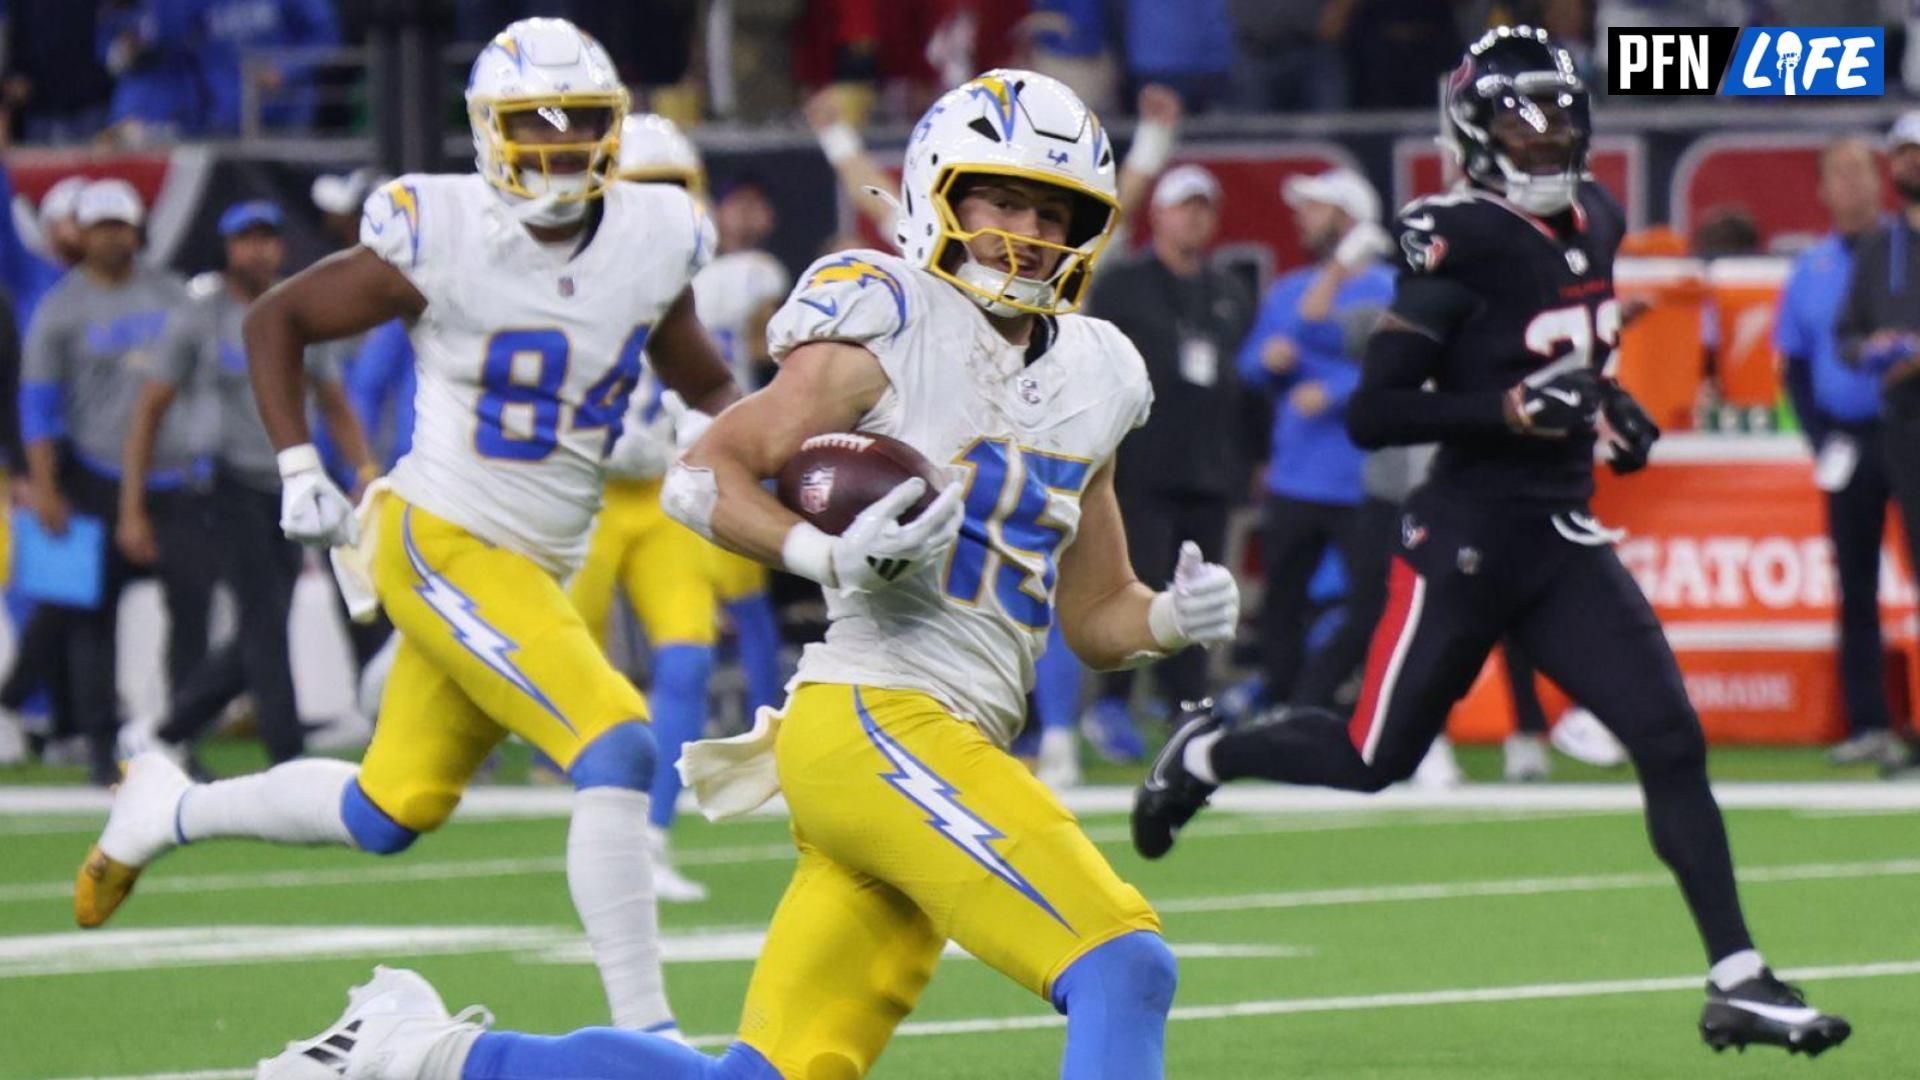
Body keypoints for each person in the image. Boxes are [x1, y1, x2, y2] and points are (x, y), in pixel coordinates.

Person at [260, 68, 1239, 1080]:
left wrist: (1171, 616)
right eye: (1002, 199)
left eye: (1053, 209)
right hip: (878, 716)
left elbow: (1093, 615)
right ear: (939, 191)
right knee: (1124, 965)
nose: (1026, 231)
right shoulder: (889, 322)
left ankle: (420, 1054)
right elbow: (705, 469)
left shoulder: (1102, 372)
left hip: (942, 733)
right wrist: (819, 551)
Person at [1133, 27, 1851, 1057]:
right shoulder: (1454, 237)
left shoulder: (1596, 216)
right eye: (1525, 115)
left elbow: (1566, 354)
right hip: (1463, 536)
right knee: (1372, 758)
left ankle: (1737, 975)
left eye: (1561, 111)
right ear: (1475, 131)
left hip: (1559, 535)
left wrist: (1603, 406)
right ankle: (1209, 749)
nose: (1549, 131)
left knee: (1668, 739)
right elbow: (1378, 413)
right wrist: (1509, 408)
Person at [75, 19, 740, 1043]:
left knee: (386, 812)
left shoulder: (656, 234)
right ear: (487, 132)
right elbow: (275, 321)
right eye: (535, 126)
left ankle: (166, 808)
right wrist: (301, 465)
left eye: (582, 126)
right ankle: (650, 1042)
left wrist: (720, 442)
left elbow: (700, 371)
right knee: (616, 744)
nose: (560, 148)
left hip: (534, 563)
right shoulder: (446, 229)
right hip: (444, 536)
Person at [118, 199, 374, 773]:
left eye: (267, 237)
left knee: (267, 618)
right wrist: (132, 503)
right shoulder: (198, 314)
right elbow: (149, 409)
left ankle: (165, 730)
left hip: (289, 480)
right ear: (228, 248)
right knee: (263, 615)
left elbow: (333, 400)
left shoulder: (301, 306)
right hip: (223, 480)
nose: (257, 249)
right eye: (245, 239)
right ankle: (287, 755)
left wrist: (362, 469)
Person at [561, 112, 741, 904]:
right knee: (570, 677)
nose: (663, 209)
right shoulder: (559, 274)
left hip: (664, 496)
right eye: (648, 189)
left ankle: (650, 836)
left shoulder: (689, 278)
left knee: (687, 657)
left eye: (675, 191)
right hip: (578, 499)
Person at [17, 178, 212, 786]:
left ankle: (180, 733)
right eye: (100, 226)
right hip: (94, 475)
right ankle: (100, 744)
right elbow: (39, 406)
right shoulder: (61, 307)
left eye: (120, 225)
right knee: (89, 621)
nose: (111, 237)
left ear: (137, 230)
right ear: (83, 233)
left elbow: (205, 376)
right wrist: (46, 486)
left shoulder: (172, 294)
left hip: (172, 476)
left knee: (194, 606)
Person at [1077, 163, 1253, 765]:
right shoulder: (1125, 285)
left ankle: (1188, 706)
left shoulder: (1228, 290)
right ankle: (1114, 702)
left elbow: (1236, 383)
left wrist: (1244, 457)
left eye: (1204, 207)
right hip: (1140, 466)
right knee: (1139, 580)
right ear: (1159, 213)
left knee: (1202, 592)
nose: (1195, 216)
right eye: (1185, 206)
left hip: (1209, 468)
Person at [1238, 166, 1394, 710]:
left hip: (1364, 480)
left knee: (1373, 603)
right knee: (1281, 601)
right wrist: (1268, 361)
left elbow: (1396, 367)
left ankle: (1359, 705)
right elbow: (1252, 364)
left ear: (1349, 218)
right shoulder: (1289, 289)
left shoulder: (1386, 289)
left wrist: (1331, 390)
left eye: (1316, 207)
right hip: (1296, 474)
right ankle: (1283, 702)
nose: (1302, 217)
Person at [1776, 135, 1909, 769]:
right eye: (1840, 175)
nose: (1853, 186)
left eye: (1862, 173)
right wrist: (1819, 438)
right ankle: (1869, 723)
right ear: (1824, 190)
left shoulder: (1904, 248)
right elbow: (1795, 365)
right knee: (1854, 586)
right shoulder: (1811, 270)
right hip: (1849, 438)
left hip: (1910, 426)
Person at [1836, 112, 1920, 775]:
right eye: (1905, 154)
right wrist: (1873, 349)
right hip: (1898, 425)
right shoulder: (1876, 247)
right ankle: (1895, 723)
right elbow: (1847, 333)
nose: (1912, 164)